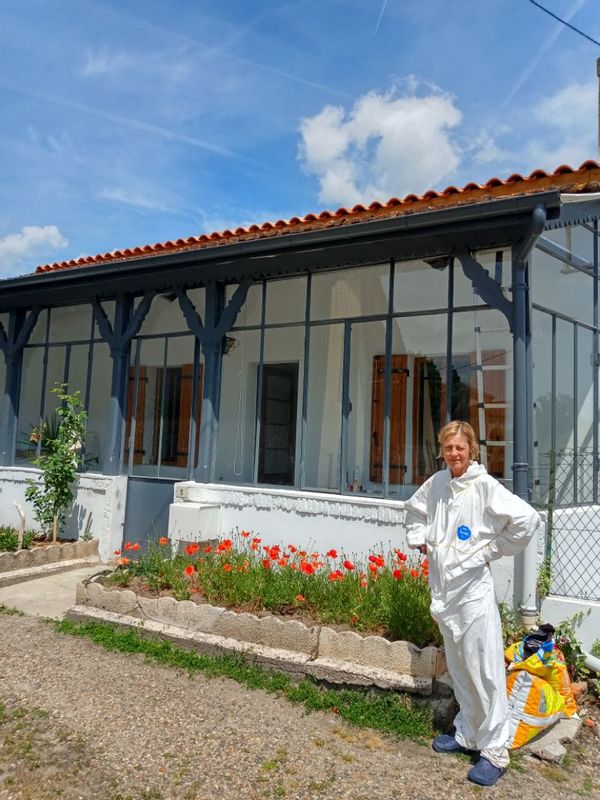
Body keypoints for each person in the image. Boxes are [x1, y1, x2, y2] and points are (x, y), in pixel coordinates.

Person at [404, 420, 542, 787]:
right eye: (448, 447)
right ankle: (467, 733)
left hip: (472, 594)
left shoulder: (484, 487)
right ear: (442, 450)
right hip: (444, 592)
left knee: (484, 671)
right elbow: (414, 511)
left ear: (471, 450)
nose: (454, 453)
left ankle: (495, 751)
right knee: (460, 668)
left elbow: (527, 520)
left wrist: (490, 551)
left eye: (460, 447)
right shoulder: (437, 484)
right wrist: (420, 539)